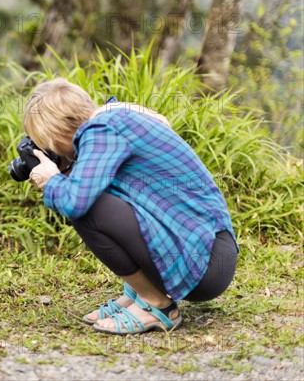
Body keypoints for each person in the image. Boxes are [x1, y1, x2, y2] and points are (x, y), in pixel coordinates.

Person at [23, 78, 238, 335]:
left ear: (56, 131)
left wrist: (52, 180)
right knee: (94, 194)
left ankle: (157, 304)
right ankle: (138, 294)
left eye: (47, 144)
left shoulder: (101, 130)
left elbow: (75, 201)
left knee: (86, 209)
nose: (51, 151)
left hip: (207, 265)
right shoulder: (114, 120)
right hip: (212, 253)